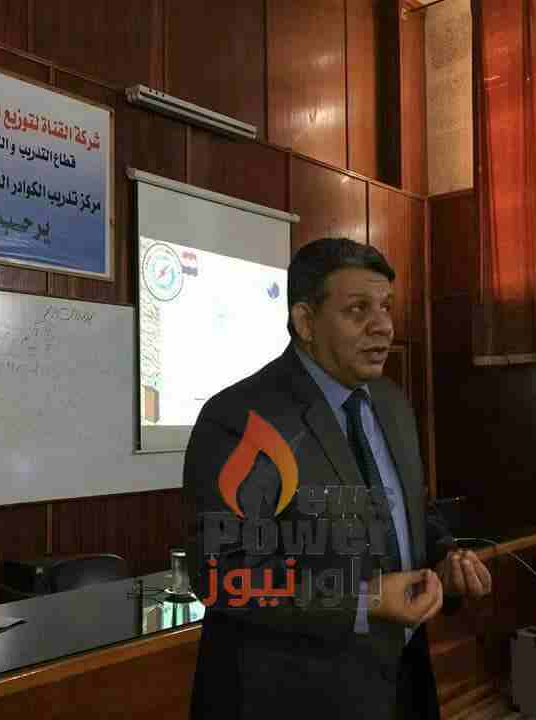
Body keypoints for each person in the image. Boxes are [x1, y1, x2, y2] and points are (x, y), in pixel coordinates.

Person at [183, 238, 492, 719]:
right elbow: (225, 574)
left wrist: (445, 560)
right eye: (358, 309)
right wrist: (366, 599)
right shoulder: (238, 418)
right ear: (306, 322)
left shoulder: (391, 402)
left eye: (386, 306)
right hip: (297, 697)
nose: (383, 325)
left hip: (402, 682)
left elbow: (414, 511)